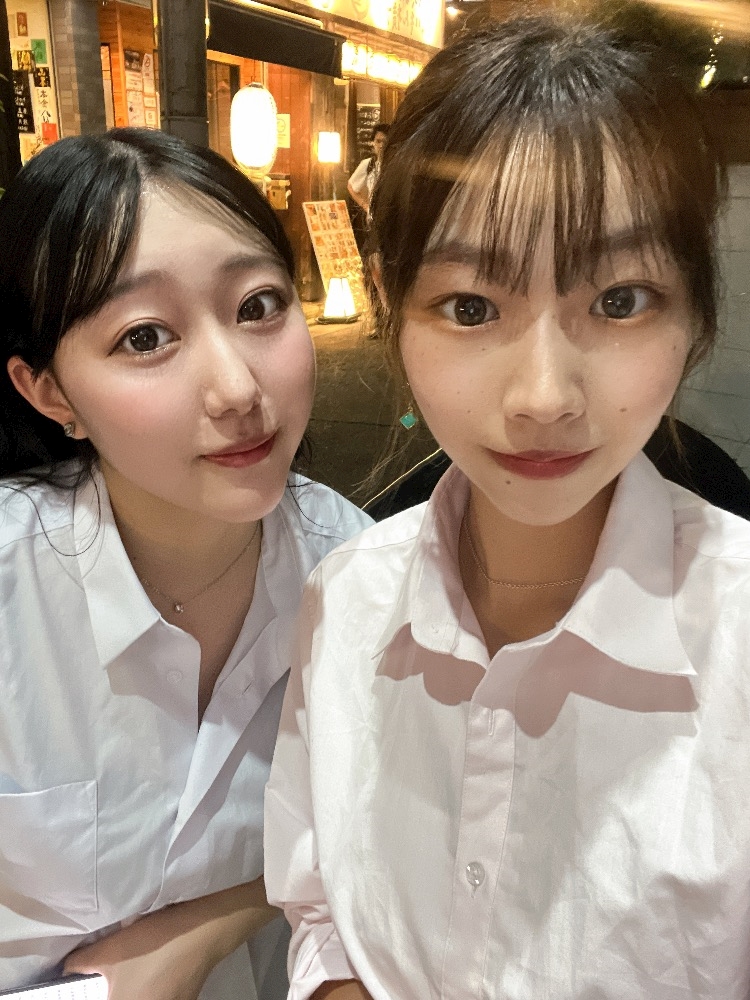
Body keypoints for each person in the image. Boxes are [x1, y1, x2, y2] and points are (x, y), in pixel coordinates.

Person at [264, 9, 750, 1000]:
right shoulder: (346, 597)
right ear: (394, 304)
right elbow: (317, 903)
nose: (543, 397)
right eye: (472, 307)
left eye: (619, 300)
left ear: (695, 310)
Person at [0, 128, 371, 1000]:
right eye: (145, 337)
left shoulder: (361, 577)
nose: (238, 389)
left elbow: (381, 835)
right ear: (49, 392)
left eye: (258, 305)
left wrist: (210, 925)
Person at [346, 124, 389, 221]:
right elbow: (351, 186)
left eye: (385, 142)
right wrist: (365, 206)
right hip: (373, 220)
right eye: (378, 141)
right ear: (373, 142)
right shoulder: (368, 164)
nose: (381, 145)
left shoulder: (396, 165)